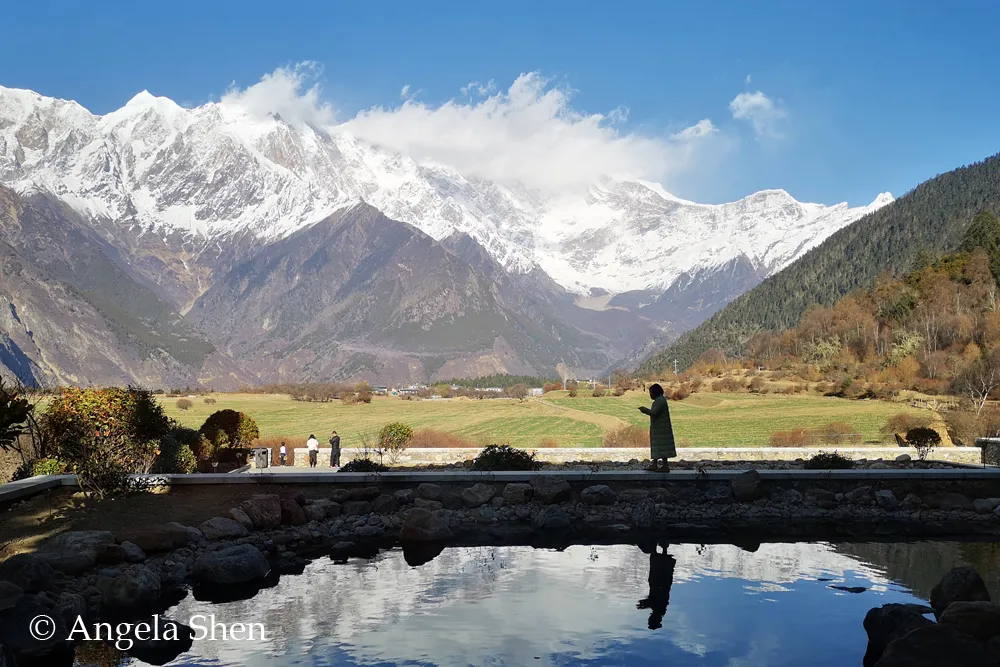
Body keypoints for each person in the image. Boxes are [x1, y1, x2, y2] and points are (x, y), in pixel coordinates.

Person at [636, 541, 676, 630]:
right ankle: (658, 546)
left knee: (658, 565)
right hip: (660, 583)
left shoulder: (659, 610)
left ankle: (657, 546)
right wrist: (646, 604)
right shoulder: (660, 610)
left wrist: (646, 604)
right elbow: (656, 601)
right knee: (660, 566)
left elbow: (654, 602)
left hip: (659, 584)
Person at [638, 383, 675, 472]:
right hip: (659, 428)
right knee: (658, 446)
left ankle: (664, 466)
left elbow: (654, 413)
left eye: (651, 393)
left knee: (662, 447)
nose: (650, 395)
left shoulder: (660, 401)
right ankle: (655, 464)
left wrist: (644, 410)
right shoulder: (661, 400)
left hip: (661, 429)